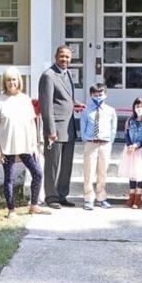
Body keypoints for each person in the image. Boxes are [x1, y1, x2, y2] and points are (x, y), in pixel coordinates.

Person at [0, 66, 49, 219]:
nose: (11, 82)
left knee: (38, 173)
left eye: (14, 79)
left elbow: (31, 123)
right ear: (4, 82)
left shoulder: (25, 99)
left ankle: (34, 205)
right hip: (6, 146)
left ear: (18, 81)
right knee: (9, 178)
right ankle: (11, 209)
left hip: (26, 146)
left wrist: (35, 145)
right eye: (8, 80)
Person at [38, 46, 80, 209]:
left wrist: (75, 104)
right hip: (56, 128)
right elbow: (46, 105)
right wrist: (50, 130)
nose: (65, 60)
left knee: (66, 164)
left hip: (69, 127)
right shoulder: (48, 76)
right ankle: (51, 196)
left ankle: (62, 195)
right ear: (56, 56)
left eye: (68, 57)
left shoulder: (68, 73)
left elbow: (65, 98)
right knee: (53, 164)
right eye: (62, 56)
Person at [79, 83, 117, 211]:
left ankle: (101, 197)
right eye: (95, 95)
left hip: (105, 144)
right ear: (91, 95)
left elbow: (113, 128)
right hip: (91, 143)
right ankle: (88, 198)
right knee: (88, 171)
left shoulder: (110, 111)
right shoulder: (86, 111)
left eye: (100, 94)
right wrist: (86, 140)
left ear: (105, 94)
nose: (98, 97)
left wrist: (110, 141)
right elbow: (82, 127)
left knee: (102, 171)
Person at [118, 97, 142, 209]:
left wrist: (137, 145)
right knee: (132, 173)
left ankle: (138, 197)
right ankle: (131, 195)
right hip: (130, 151)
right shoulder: (130, 120)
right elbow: (127, 134)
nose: (139, 108)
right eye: (137, 106)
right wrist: (129, 145)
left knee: (140, 173)